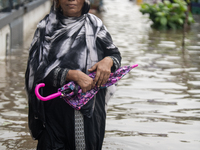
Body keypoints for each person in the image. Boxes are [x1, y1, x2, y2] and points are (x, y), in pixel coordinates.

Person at [25, 0, 121, 149]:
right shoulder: (45, 27)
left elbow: (114, 55)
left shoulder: (95, 25)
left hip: (88, 111)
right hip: (54, 110)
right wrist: (70, 75)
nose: (72, 0)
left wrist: (107, 61)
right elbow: (36, 71)